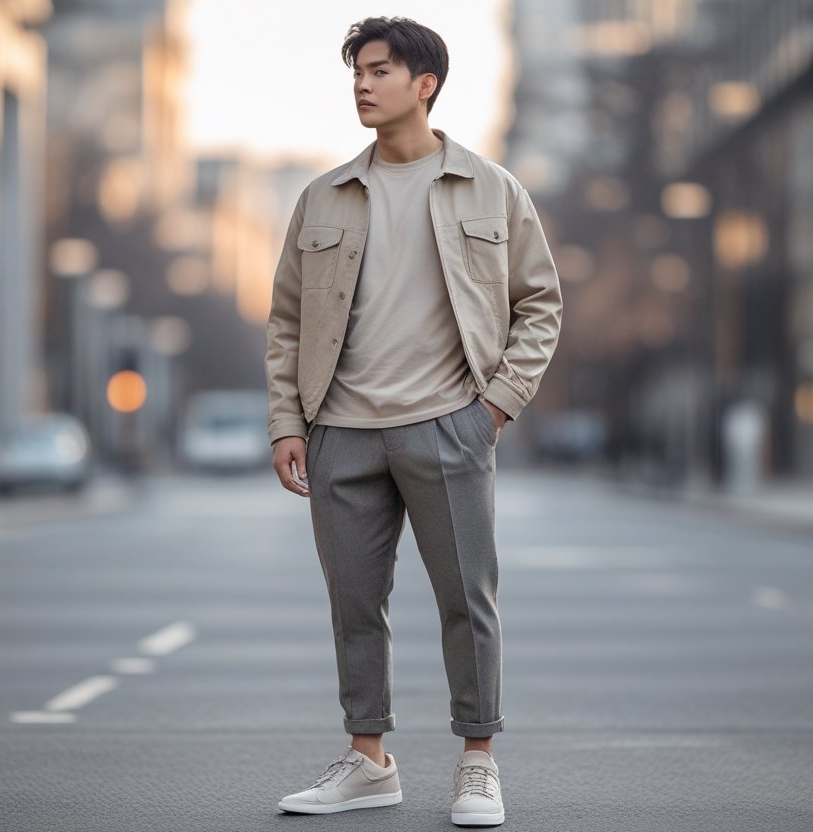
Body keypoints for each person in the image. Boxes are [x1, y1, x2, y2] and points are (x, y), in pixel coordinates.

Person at [264, 15, 561, 827]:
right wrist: (289, 423)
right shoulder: (322, 196)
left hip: (448, 423)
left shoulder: (492, 189)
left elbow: (540, 302)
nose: (363, 83)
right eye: (357, 71)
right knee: (355, 603)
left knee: (468, 598)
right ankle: (369, 763)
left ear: (424, 84)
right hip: (341, 431)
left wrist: (498, 403)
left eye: (380, 70)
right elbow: (287, 321)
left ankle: (478, 763)